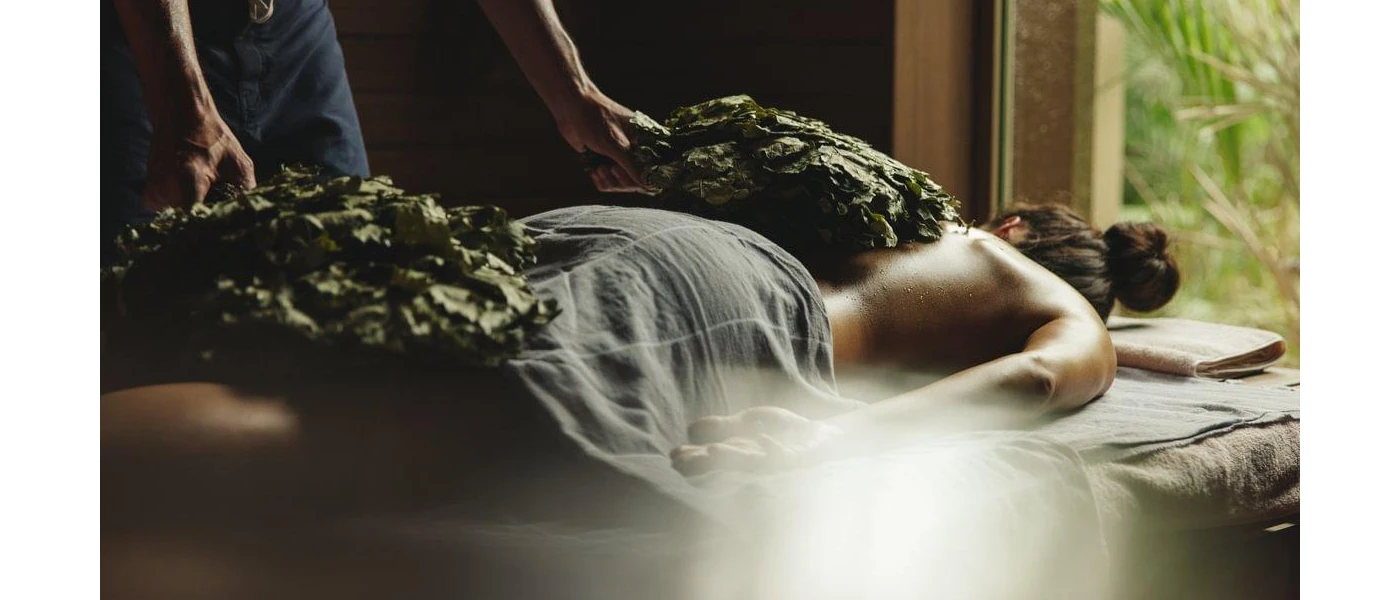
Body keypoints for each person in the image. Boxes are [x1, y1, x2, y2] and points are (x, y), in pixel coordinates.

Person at [102, 0, 644, 264]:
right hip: (137, 27)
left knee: (351, 260)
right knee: (134, 281)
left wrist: (575, 95)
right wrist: (179, 98)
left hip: (290, 24)